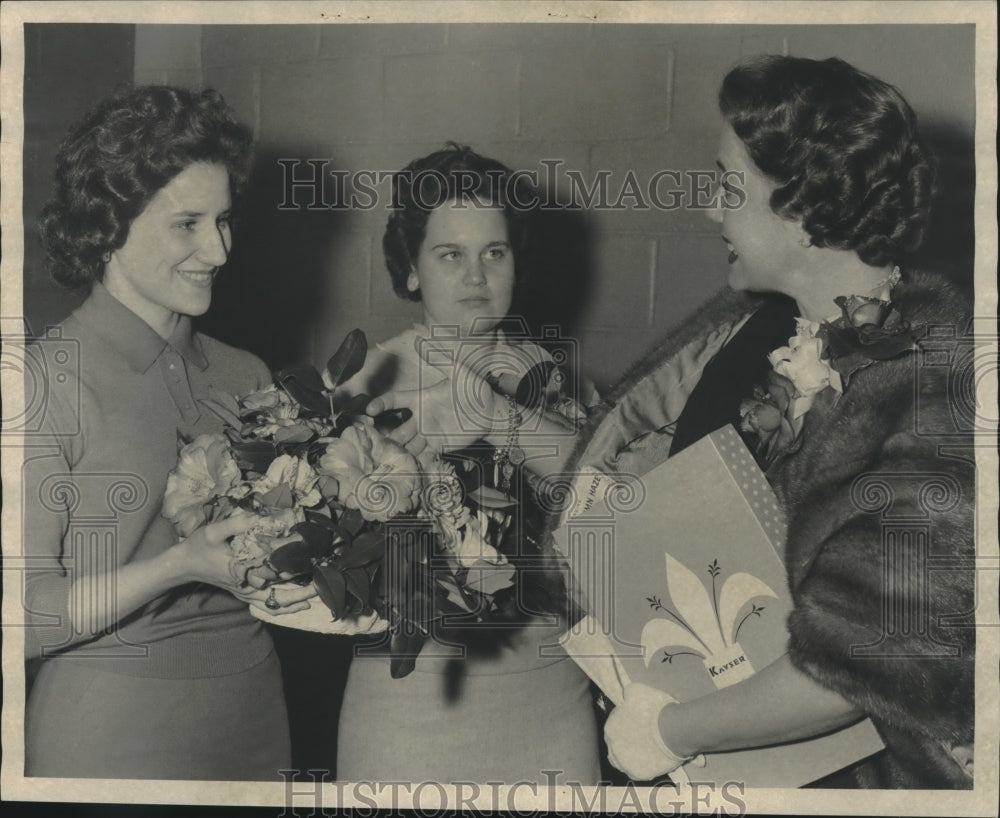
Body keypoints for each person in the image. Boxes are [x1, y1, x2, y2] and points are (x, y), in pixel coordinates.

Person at [368, 58, 975, 788]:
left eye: (727, 185)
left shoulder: (932, 393)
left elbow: (861, 661)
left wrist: (665, 730)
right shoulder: (754, 340)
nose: (711, 210)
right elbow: (637, 487)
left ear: (804, 207)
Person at [23, 85, 315, 780]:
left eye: (224, 220)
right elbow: (23, 617)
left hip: (255, 716)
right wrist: (177, 567)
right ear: (110, 224)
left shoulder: (246, 372)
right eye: (188, 224)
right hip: (112, 729)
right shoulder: (43, 379)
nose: (218, 249)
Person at [332, 145, 601, 784]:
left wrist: (500, 420)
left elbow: (611, 502)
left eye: (494, 253)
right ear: (413, 270)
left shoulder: (555, 379)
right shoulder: (362, 382)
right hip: (406, 698)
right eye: (450, 254)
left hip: (550, 695)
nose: (475, 276)